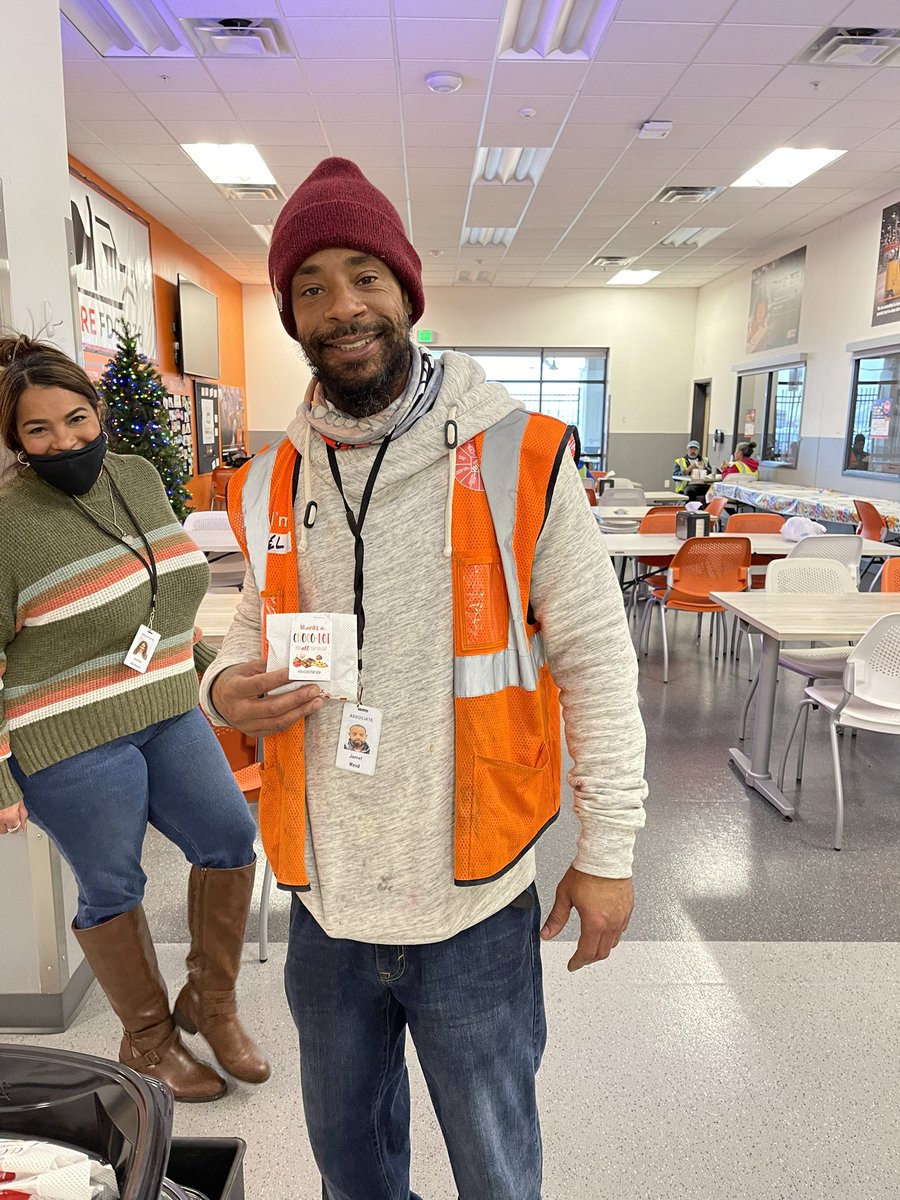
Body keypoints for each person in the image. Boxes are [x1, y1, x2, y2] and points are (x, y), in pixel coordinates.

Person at [201, 158, 647, 1200]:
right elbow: (246, 630)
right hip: (326, 903)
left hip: (474, 903)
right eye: (311, 287)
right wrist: (226, 690)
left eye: (364, 275)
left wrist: (611, 848)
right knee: (352, 1172)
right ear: (290, 317)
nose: (342, 306)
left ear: (406, 291)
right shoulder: (269, 476)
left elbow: (593, 658)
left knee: (497, 1171)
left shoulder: (517, 456)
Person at [0, 335, 268, 1102]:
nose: (65, 440)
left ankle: (210, 1006)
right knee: (112, 884)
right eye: (38, 430)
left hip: (166, 704)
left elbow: (167, 590)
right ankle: (148, 1041)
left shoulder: (140, 477)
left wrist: (212, 667)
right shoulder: (8, 523)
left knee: (227, 837)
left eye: (77, 418)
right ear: (14, 440)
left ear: (99, 411)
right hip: (66, 733)